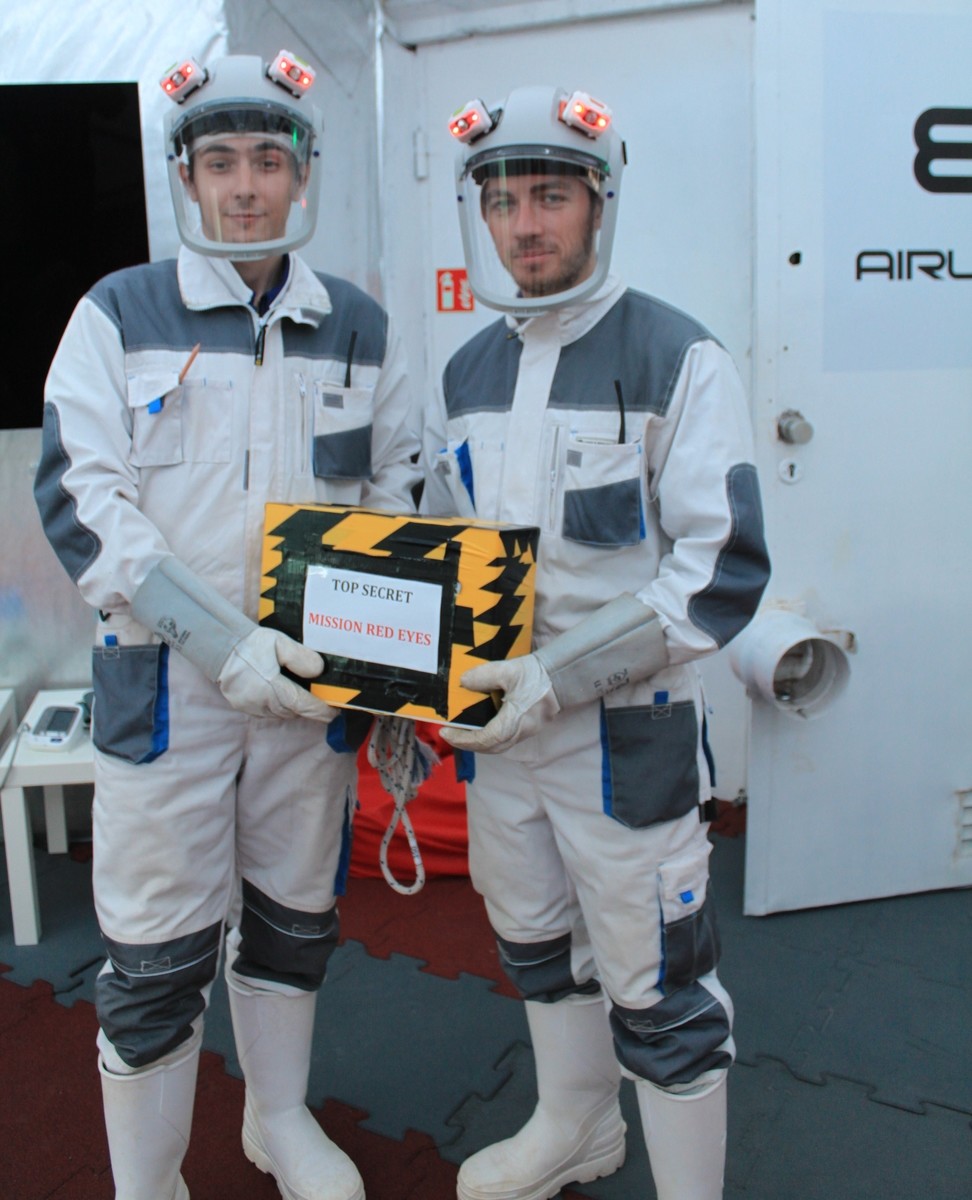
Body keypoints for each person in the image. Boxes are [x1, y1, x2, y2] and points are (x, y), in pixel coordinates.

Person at [34, 50, 419, 1200]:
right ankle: (148, 1184)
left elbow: (400, 491)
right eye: (220, 163)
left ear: (303, 173)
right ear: (185, 178)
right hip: (166, 687)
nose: (245, 185)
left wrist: (388, 661)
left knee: (296, 918)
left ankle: (278, 1119)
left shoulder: (362, 327)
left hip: (311, 688)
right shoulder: (116, 314)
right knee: (155, 955)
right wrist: (222, 643)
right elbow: (81, 502)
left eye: (267, 160)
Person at [422, 86, 771, 1200]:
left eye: (551, 196)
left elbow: (721, 571)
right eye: (504, 200)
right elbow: (442, 556)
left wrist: (557, 676)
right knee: (533, 937)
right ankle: (577, 1127)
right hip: (499, 740)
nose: (526, 224)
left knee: (659, 982)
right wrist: (399, 683)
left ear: (600, 202)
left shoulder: (680, 356)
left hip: (627, 737)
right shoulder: (466, 374)